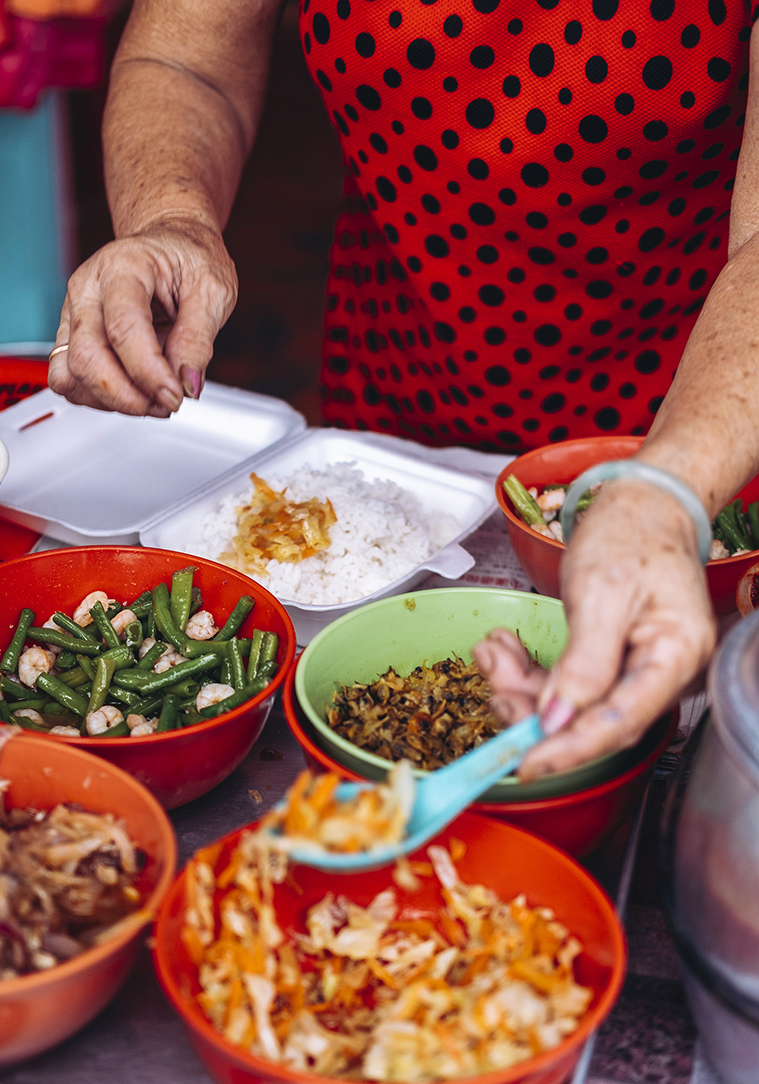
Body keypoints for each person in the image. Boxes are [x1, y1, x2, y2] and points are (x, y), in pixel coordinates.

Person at [47, 0, 759, 776]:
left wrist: (669, 489)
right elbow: (187, 61)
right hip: (403, 363)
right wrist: (173, 220)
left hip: (695, 406)